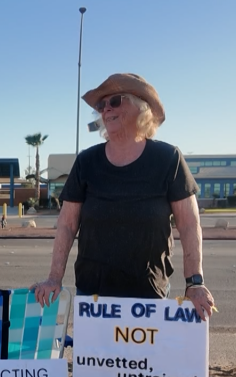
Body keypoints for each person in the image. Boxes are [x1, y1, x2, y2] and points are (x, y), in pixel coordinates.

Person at [32, 73, 215, 320]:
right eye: (101, 105)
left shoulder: (168, 159)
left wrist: (194, 282)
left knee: (144, 360)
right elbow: (66, 224)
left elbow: (189, 224)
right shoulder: (87, 162)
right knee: (96, 360)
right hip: (93, 296)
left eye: (115, 101)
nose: (106, 109)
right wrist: (54, 278)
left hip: (149, 295)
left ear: (141, 107)